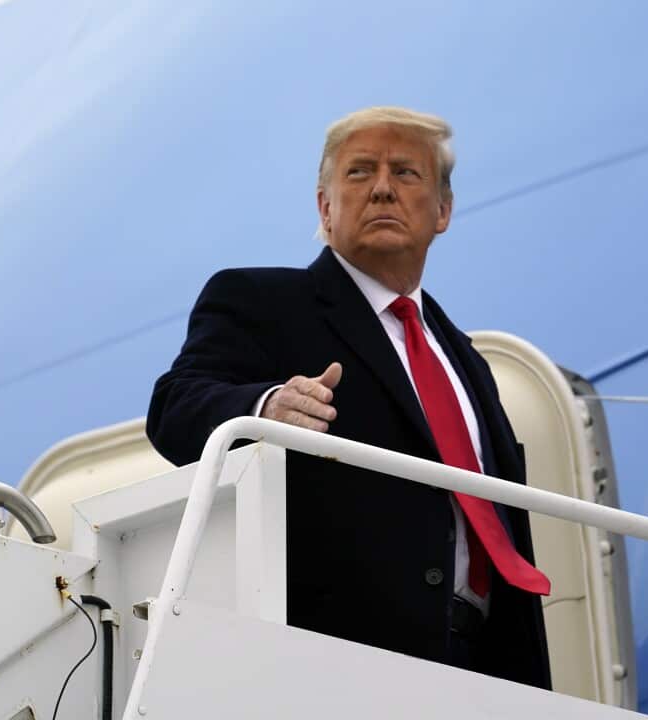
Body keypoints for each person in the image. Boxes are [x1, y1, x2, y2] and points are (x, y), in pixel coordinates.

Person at [146, 106, 551, 688]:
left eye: (407, 173)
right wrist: (265, 409)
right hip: (335, 662)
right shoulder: (260, 300)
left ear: (443, 210)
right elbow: (176, 407)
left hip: (484, 668)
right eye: (360, 172)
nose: (383, 188)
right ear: (325, 206)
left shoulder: (465, 359)